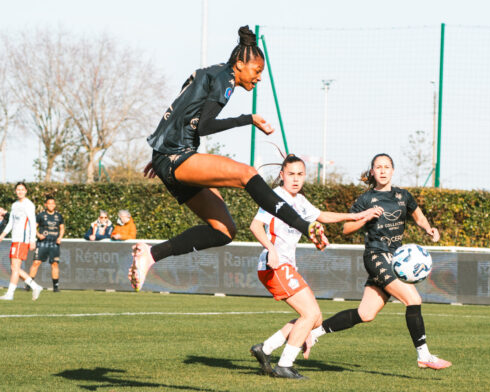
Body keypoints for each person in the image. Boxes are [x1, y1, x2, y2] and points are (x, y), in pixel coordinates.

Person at [129, 26, 327, 292]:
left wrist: (161, 147)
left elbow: (181, 107)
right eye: (256, 72)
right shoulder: (226, 81)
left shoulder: (215, 72)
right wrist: (249, 119)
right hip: (175, 156)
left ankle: (149, 255)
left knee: (224, 231)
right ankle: (305, 225)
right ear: (240, 64)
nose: (258, 79)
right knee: (246, 173)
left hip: (171, 155)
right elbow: (204, 126)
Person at [306, 154, 452, 370]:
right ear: (372, 172)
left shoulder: (403, 196)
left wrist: (428, 229)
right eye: (378, 167)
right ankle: (424, 355)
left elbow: (418, 216)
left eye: (387, 167)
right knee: (413, 299)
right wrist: (365, 216)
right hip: (376, 256)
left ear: (393, 170)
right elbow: (346, 229)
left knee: (366, 314)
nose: (383, 171)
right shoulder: (365, 200)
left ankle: (312, 334)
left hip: (394, 259)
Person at [248, 155, 380, 379]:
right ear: (282, 176)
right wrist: (271, 249)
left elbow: (322, 216)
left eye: (300, 174)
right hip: (274, 265)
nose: (296, 179)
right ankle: (284, 365)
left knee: (314, 319)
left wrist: (357, 215)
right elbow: (255, 225)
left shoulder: (300, 200)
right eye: (291, 174)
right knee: (310, 314)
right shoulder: (275, 197)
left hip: (286, 266)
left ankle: (266, 348)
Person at [0, 182, 43, 301]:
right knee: (15, 268)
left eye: (22, 189)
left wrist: (32, 240)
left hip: (22, 240)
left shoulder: (29, 205)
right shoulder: (14, 205)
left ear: (26, 191)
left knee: (15, 267)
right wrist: (2, 235)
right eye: (18, 189)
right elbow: (11, 223)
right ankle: (35, 286)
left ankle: (10, 294)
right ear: (15, 191)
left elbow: (32, 223)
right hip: (15, 239)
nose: (20, 191)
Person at [29, 197, 64, 292]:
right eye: (49, 203)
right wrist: (38, 235)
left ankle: (55, 287)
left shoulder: (59, 216)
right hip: (42, 243)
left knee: (55, 264)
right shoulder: (41, 215)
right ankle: (29, 285)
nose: (51, 205)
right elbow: (33, 227)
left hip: (54, 243)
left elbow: (62, 228)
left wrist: (60, 237)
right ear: (46, 205)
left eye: (53, 203)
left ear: (55, 205)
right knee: (36, 262)